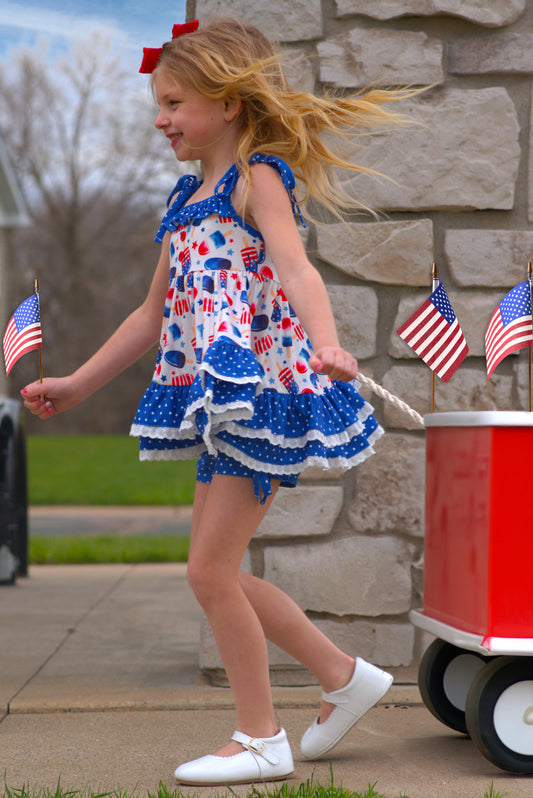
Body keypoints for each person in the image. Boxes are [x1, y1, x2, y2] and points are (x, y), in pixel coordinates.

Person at [22, 17, 412, 786]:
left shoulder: (254, 177)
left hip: (260, 395)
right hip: (221, 402)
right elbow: (147, 315)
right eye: (157, 105)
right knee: (217, 570)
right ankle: (342, 677)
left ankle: (261, 738)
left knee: (208, 573)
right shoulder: (184, 197)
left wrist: (329, 343)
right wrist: (76, 384)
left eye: (173, 102)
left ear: (229, 102)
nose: (160, 119)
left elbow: (295, 271)